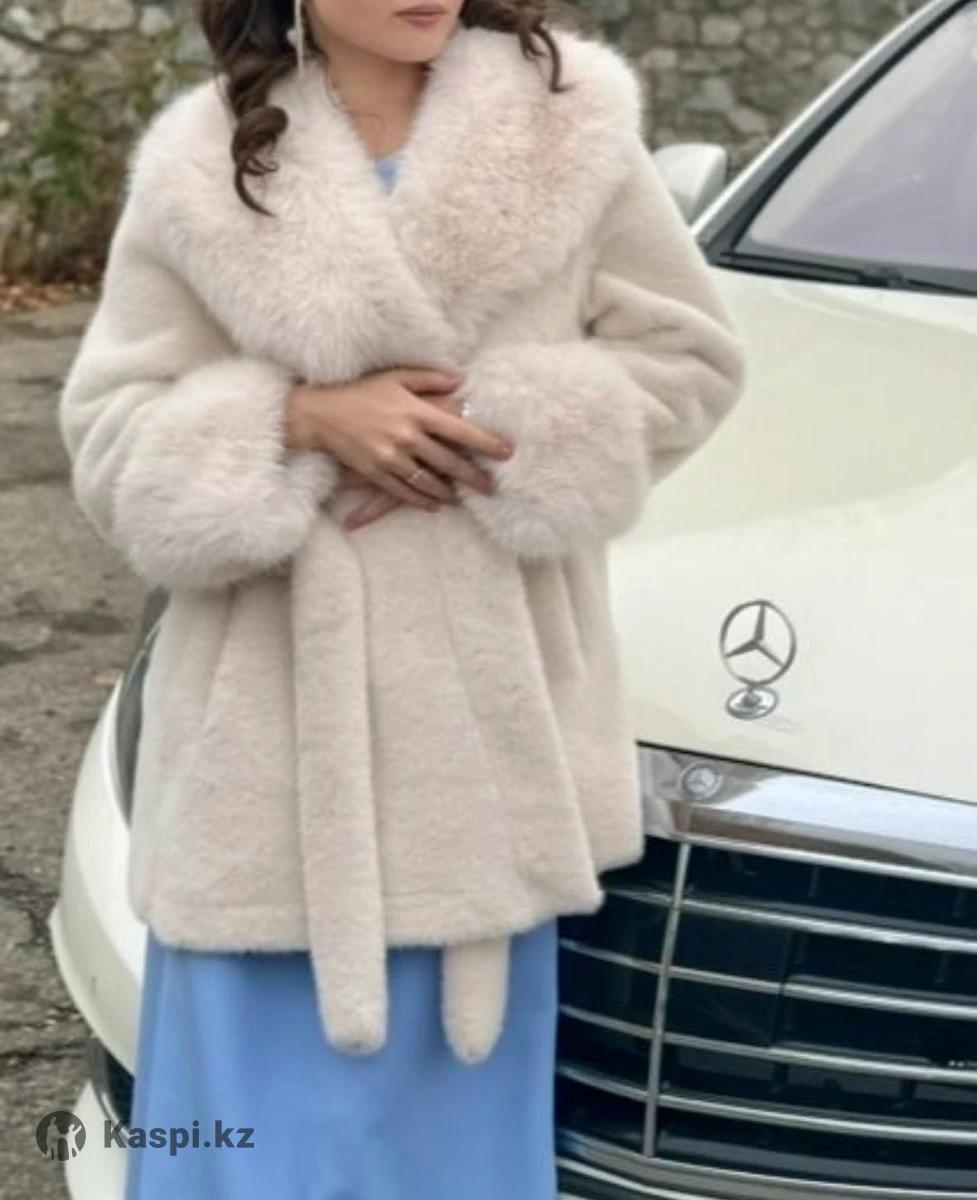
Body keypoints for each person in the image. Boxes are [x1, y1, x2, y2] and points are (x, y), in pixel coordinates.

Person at [57, 0, 749, 1196]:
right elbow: (113, 437)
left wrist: (477, 425)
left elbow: (689, 361)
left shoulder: (565, 127)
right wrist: (296, 421)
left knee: (444, 1155)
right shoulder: (202, 161)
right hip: (265, 778)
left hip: (475, 772)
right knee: (243, 1155)